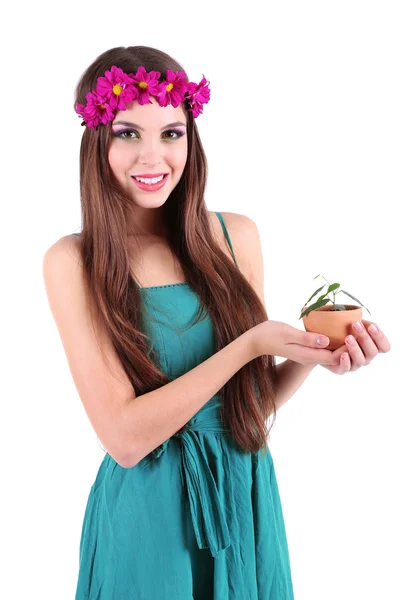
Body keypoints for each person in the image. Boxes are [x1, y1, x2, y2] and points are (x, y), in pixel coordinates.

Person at [42, 45, 390, 600]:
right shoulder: (73, 261)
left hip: (244, 497)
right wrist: (250, 345)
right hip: (150, 519)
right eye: (128, 134)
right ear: (95, 140)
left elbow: (248, 404)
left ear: (191, 137)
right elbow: (125, 439)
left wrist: (313, 357)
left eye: (171, 133)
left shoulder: (234, 236)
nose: (152, 157)